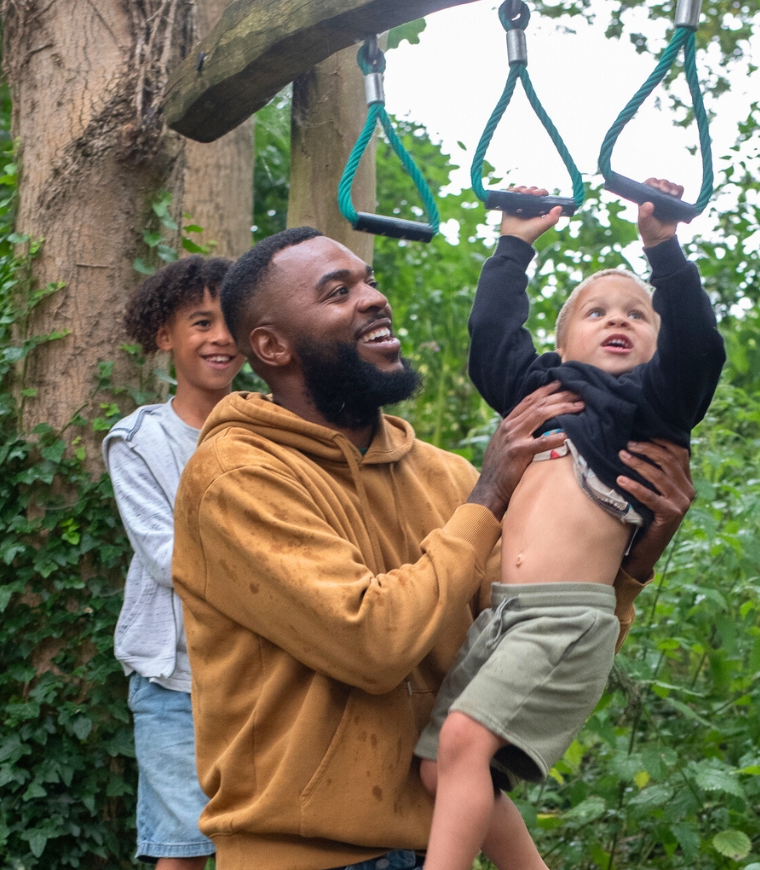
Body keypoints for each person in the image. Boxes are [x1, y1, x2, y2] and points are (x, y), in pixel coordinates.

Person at [171, 228, 698, 870]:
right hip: (305, 858)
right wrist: (486, 499)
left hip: (438, 845)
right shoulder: (237, 475)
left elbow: (544, 631)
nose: (373, 299)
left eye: (369, 281)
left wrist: (638, 557)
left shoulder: (450, 477)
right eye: (339, 292)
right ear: (272, 346)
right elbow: (371, 644)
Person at [417, 180, 725, 870]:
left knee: (466, 740)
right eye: (596, 312)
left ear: (656, 342)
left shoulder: (651, 408)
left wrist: (664, 250)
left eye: (638, 315)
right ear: (561, 343)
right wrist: (514, 242)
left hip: (566, 617)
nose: (618, 320)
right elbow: (492, 336)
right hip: (500, 619)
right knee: (441, 768)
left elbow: (698, 349)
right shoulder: (542, 393)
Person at [109, 256, 239, 870]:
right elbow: (165, 556)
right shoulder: (137, 441)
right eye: (200, 322)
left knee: (263, 839)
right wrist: (269, 575)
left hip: (257, 675)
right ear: (165, 336)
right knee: (182, 848)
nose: (220, 337)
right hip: (173, 682)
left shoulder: (272, 428)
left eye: (230, 321)